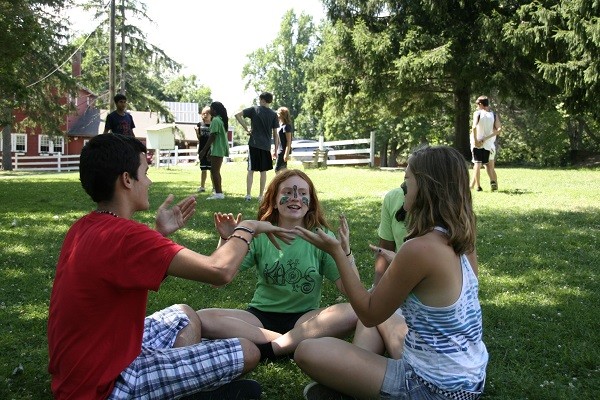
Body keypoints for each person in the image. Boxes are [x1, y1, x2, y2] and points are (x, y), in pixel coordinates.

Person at [47, 133, 294, 400]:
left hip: (85, 366)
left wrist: (160, 234)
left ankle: (175, 384)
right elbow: (219, 271)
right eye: (145, 172)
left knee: (184, 315)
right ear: (127, 180)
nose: (150, 181)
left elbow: (121, 266)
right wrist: (248, 227)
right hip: (105, 385)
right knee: (248, 351)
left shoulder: (85, 226)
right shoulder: (127, 236)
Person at [294, 145, 489, 400]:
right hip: (469, 378)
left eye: (408, 178)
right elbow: (440, 283)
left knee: (308, 351)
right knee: (384, 315)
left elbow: (368, 312)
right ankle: (353, 384)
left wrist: (338, 254)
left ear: (426, 186)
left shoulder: (418, 249)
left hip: (432, 389)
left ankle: (352, 388)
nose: (403, 185)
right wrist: (400, 262)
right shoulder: (461, 238)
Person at [197, 169, 359, 362]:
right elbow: (217, 280)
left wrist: (345, 253)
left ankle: (271, 348)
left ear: (311, 202)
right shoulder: (259, 234)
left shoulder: (322, 237)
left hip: (305, 320)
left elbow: (352, 292)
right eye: (288, 192)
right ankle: (288, 344)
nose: (295, 198)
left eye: (302, 194)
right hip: (259, 319)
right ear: (274, 201)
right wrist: (227, 239)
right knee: (202, 318)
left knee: (353, 310)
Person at [235, 92, 279, 202]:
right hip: (266, 145)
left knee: (251, 170)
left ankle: (248, 195)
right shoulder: (273, 114)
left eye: (260, 100)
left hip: (254, 143)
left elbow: (237, 115)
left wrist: (246, 128)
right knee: (263, 171)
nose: (259, 101)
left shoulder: (254, 109)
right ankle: (260, 196)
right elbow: (275, 133)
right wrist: (276, 148)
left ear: (263, 100)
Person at [199, 102, 230, 200]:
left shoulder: (216, 120)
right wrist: (209, 151)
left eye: (211, 108)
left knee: (214, 171)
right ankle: (218, 192)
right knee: (215, 171)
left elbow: (213, 136)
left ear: (215, 110)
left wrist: (204, 150)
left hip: (218, 149)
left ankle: (219, 193)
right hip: (218, 148)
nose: (209, 110)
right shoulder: (220, 120)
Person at [470, 95, 501, 192]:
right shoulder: (494, 115)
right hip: (489, 144)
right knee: (490, 166)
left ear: (480, 104)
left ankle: (477, 186)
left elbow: (474, 127)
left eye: (477, 104)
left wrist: (476, 140)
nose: (476, 107)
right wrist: (486, 138)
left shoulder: (478, 113)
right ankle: (494, 183)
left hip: (478, 143)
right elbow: (499, 130)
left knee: (477, 164)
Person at [195, 106, 213, 193]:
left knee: (212, 170)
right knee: (203, 169)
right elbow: (199, 138)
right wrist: (196, 132)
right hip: (202, 149)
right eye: (203, 113)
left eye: (207, 113)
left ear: (211, 115)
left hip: (211, 150)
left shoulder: (213, 124)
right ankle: (202, 186)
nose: (205, 115)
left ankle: (214, 187)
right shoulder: (199, 124)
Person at [274, 107, 293, 174]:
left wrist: (286, 154)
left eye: (278, 114)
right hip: (280, 150)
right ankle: (286, 183)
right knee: (284, 170)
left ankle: (279, 184)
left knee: (277, 170)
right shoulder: (281, 125)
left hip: (283, 151)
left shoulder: (286, 126)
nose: (277, 115)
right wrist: (275, 150)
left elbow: (289, 141)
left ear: (282, 115)